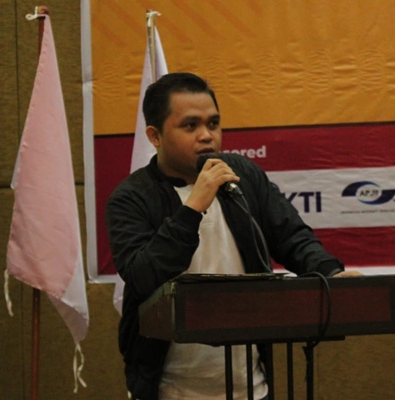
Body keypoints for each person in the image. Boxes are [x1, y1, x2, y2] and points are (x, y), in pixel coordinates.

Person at [106, 72, 360, 400]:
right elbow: (143, 276)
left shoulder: (242, 176)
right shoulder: (131, 198)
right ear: (155, 136)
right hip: (169, 389)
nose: (207, 136)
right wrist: (192, 207)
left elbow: (292, 237)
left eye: (213, 124)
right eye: (190, 126)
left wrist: (331, 273)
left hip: (251, 386)